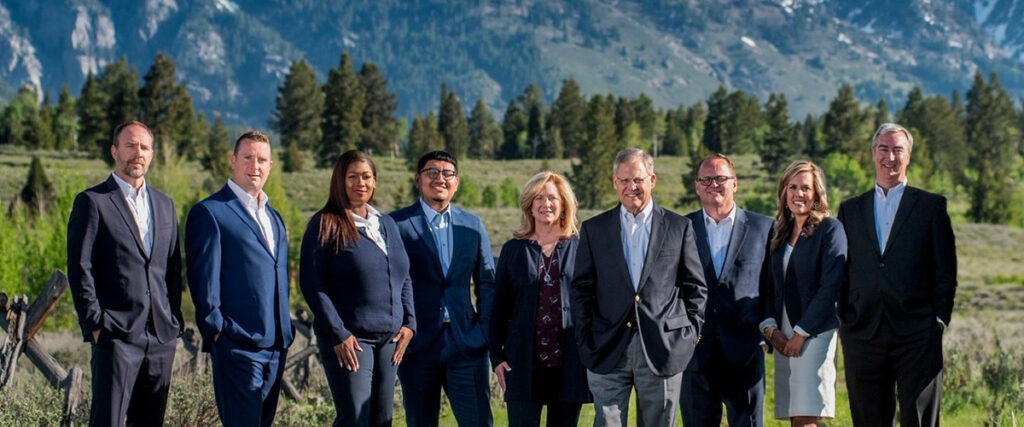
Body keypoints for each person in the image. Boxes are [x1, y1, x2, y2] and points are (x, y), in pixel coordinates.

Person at [570, 148, 707, 427]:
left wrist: (689, 334)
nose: (631, 187)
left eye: (638, 180)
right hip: (606, 347)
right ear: (614, 183)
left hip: (663, 348)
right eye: (624, 180)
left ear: (652, 180)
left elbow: (695, 287)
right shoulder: (594, 229)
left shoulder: (678, 226)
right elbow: (581, 289)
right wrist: (585, 338)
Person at [837, 123, 956, 427]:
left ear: (909, 156)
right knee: (868, 420)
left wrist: (938, 320)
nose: (890, 156)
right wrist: (845, 320)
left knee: (919, 421)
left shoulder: (931, 206)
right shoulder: (850, 210)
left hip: (917, 334)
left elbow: (946, 269)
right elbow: (842, 269)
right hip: (863, 332)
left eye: (897, 149)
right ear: (873, 154)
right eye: (883, 149)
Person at [67, 120, 183, 426]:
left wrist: (174, 322)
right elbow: (80, 268)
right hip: (115, 335)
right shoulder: (93, 202)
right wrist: (95, 325)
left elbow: (173, 269)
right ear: (114, 151)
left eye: (144, 147)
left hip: (160, 337)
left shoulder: (166, 205)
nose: (137, 153)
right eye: (130, 145)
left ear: (152, 154)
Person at [299, 150, 416, 426]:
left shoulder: (386, 223)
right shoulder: (325, 224)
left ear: (375, 182)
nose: (360, 183)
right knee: (355, 418)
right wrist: (338, 333)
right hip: (350, 341)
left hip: (390, 340)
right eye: (352, 177)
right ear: (340, 181)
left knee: (382, 419)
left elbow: (404, 275)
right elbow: (312, 283)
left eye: (366, 177)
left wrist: (410, 323)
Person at [186, 130, 294, 427]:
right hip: (237, 344)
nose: (255, 165)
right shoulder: (211, 212)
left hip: (276, 345)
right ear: (233, 161)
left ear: (271, 166)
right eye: (248, 157)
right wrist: (218, 331)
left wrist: (284, 333)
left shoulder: (274, 217)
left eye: (262, 160)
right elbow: (202, 279)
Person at [390, 150, 497, 427]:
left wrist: (484, 330)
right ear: (418, 180)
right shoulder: (395, 224)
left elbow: (487, 281)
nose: (440, 178)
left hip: (466, 343)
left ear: (456, 182)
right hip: (417, 345)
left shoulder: (472, 225)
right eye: (432, 172)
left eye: (447, 173)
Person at [489, 171, 592, 426]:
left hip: (570, 364)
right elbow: (499, 308)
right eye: (539, 198)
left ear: (564, 204)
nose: (546, 204)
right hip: (522, 363)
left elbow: (594, 303)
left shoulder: (581, 247)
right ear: (529, 205)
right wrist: (497, 357)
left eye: (553, 198)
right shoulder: (513, 250)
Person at [681, 154, 773, 427]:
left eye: (720, 178)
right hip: (695, 352)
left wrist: (767, 333)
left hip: (745, 350)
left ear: (735, 183)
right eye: (706, 179)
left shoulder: (763, 227)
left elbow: (772, 285)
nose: (713, 184)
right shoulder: (681, 227)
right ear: (697, 186)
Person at [759, 160, 847, 427]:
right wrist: (771, 329)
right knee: (796, 416)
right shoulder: (778, 233)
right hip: (784, 333)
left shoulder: (830, 230)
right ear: (784, 193)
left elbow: (831, 286)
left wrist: (801, 332)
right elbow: (768, 285)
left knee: (807, 414)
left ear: (817, 194)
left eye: (806, 188)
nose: (799, 194)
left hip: (815, 332)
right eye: (792, 187)